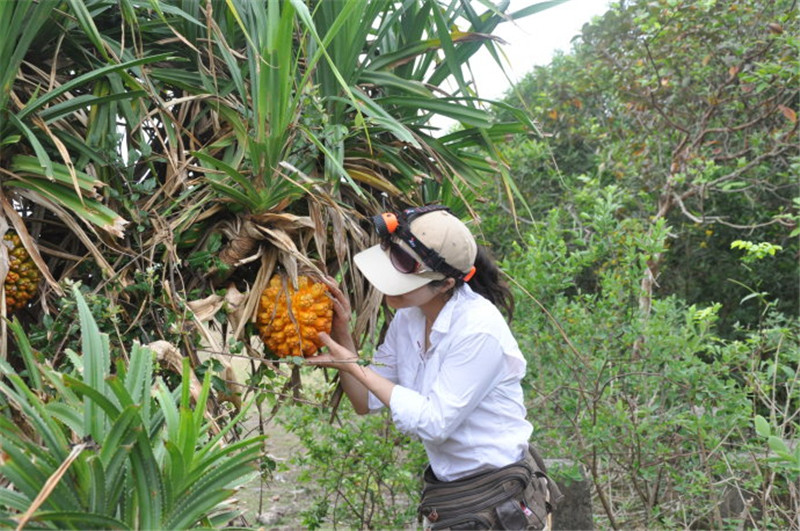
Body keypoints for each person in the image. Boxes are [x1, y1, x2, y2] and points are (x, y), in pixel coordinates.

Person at [308, 205, 561, 530]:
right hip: (452, 497)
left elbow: (434, 422)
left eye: (404, 275)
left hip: (497, 500)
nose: (389, 284)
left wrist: (354, 366)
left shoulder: (478, 330)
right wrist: (342, 334)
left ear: (444, 285)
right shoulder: (409, 318)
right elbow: (364, 401)